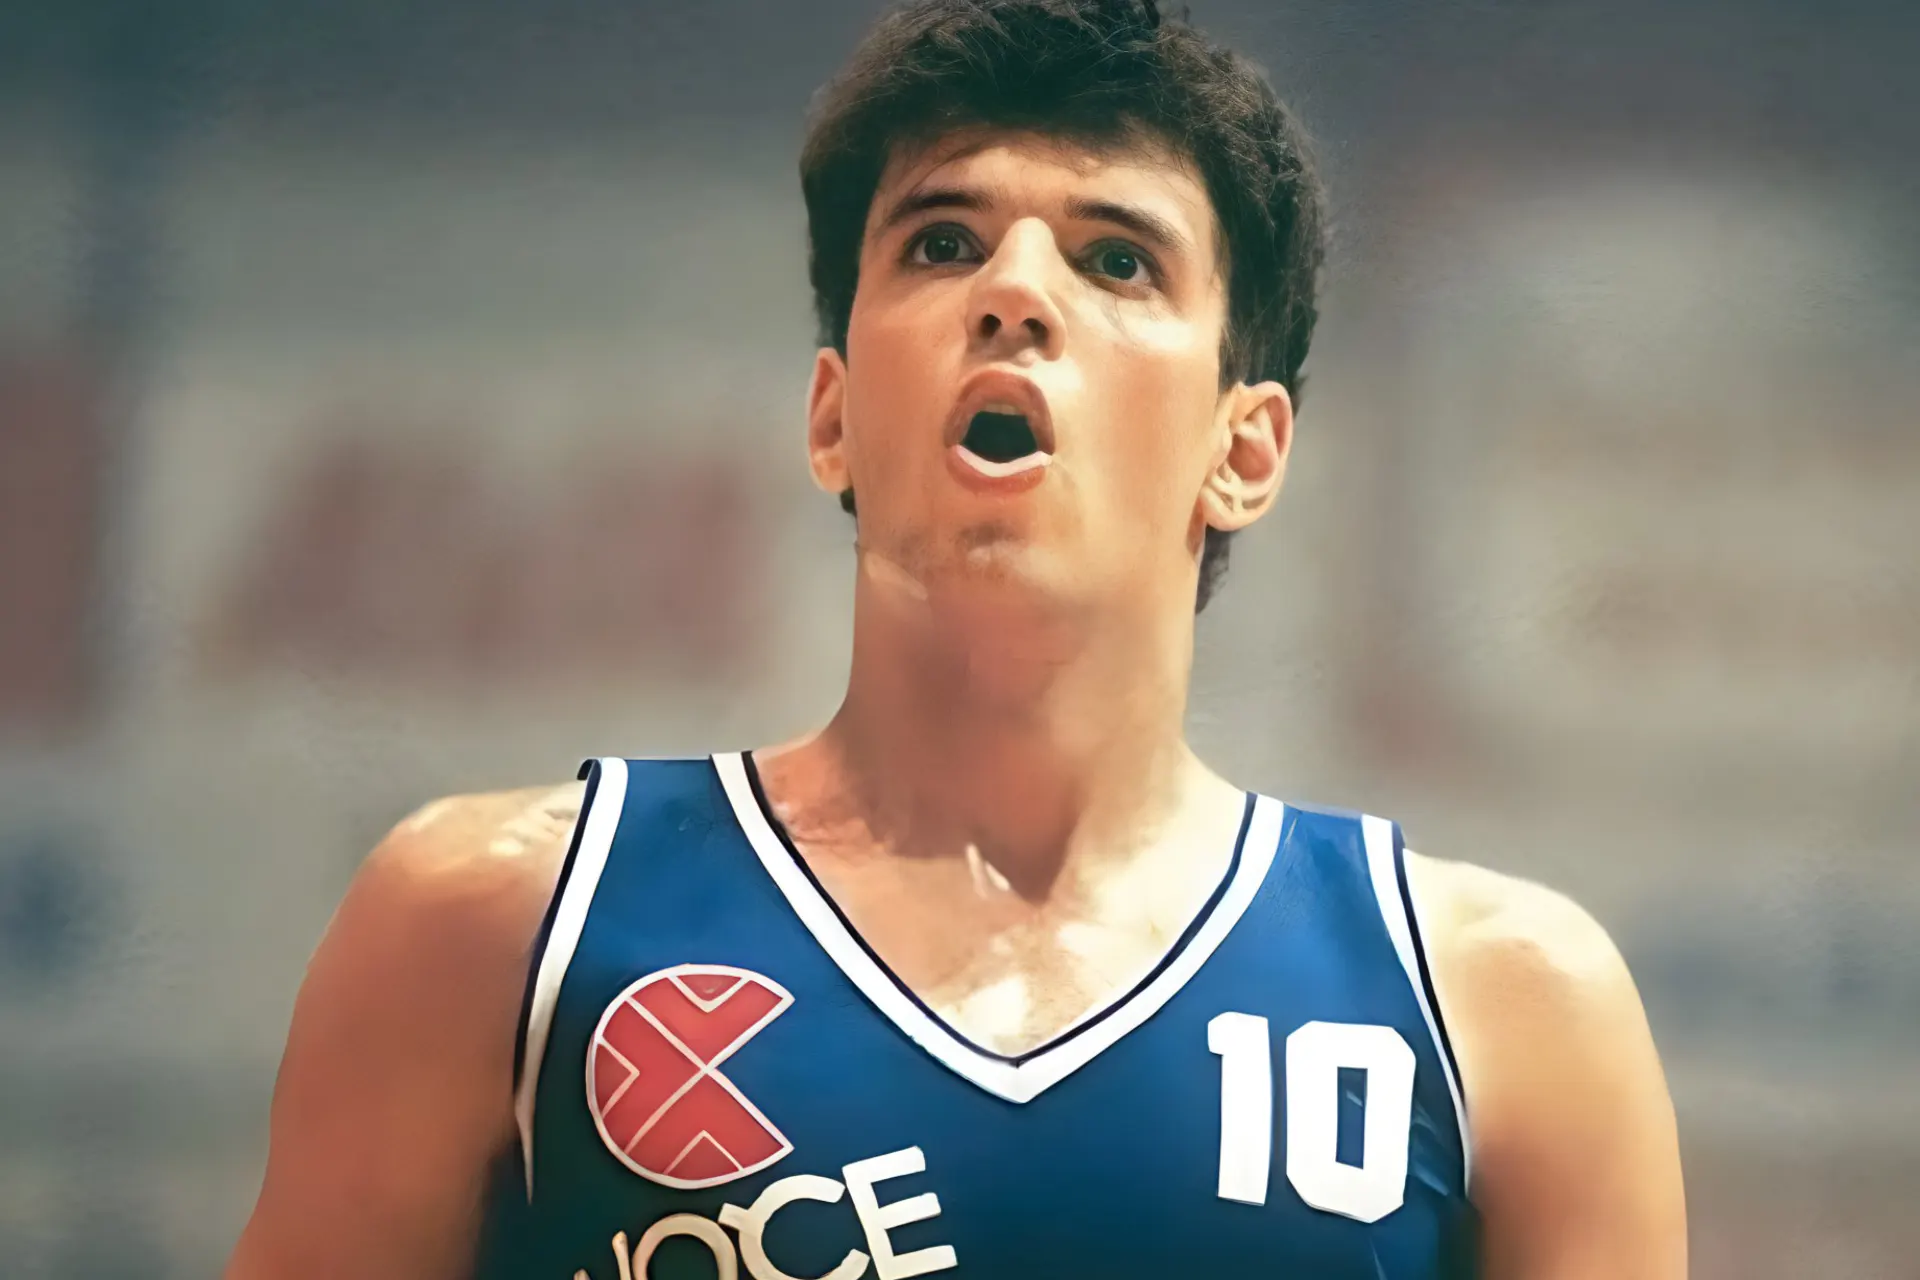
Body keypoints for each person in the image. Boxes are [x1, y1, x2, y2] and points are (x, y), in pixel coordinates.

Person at [225, 1, 1687, 1277]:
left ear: (1245, 449)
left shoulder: (1504, 1011)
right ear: (833, 416)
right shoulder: (497, 933)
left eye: (1117, 261)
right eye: (942, 242)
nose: (1015, 294)